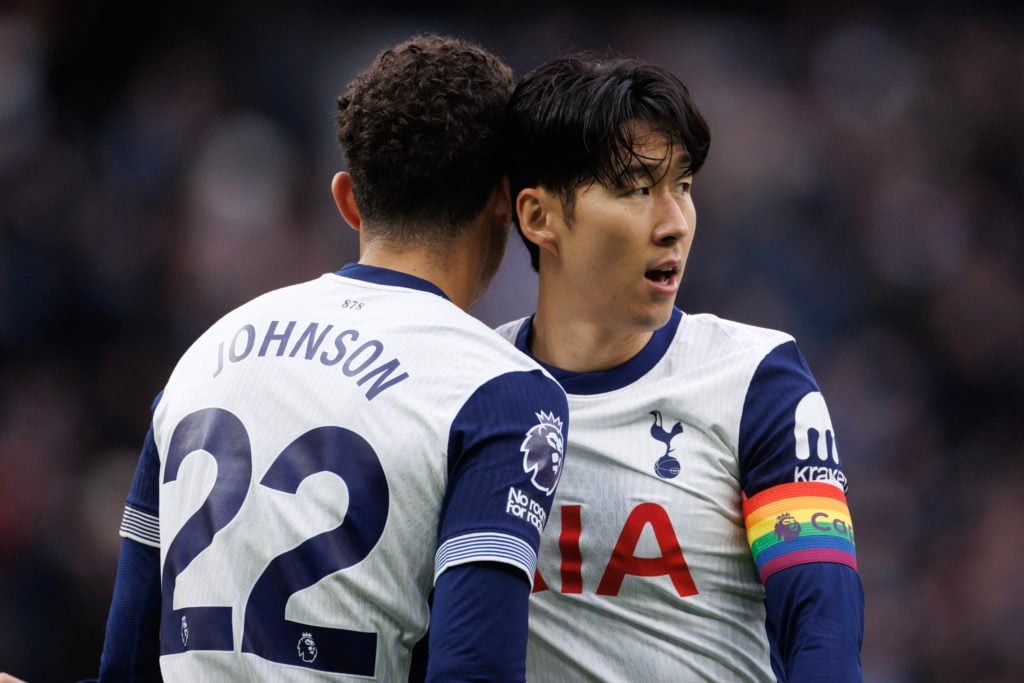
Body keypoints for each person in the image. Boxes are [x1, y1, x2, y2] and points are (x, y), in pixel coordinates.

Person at [65, 34, 569, 682]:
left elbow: (127, 669)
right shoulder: (502, 390)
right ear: (506, 200)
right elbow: (475, 670)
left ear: (348, 199)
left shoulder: (203, 355)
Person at [495, 52, 864, 681]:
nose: (674, 224)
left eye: (683, 186)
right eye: (638, 189)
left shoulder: (758, 380)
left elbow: (822, 625)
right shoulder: (474, 386)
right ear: (538, 217)